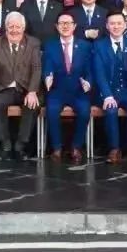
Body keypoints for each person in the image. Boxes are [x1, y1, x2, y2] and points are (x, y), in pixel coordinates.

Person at [0, 12, 43, 161]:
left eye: (18, 27)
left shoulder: (33, 43)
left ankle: (20, 146)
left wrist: (32, 91)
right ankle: (5, 145)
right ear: (6, 28)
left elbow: (36, 68)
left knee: (32, 104)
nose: (14, 30)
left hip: (25, 88)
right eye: (11, 27)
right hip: (3, 88)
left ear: (23, 28)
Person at [92, 12, 127, 163]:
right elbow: (99, 73)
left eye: (119, 23)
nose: (116, 26)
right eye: (112, 23)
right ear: (107, 26)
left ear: (125, 25)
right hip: (109, 91)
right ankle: (114, 149)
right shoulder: (99, 45)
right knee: (111, 110)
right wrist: (107, 95)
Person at [42, 12, 93, 162]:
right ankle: (57, 148)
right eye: (61, 23)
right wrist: (47, 77)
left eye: (68, 23)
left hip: (78, 90)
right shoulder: (50, 45)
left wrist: (88, 82)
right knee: (51, 111)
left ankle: (76, 147)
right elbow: (47, 66)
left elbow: (90, 70)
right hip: (57, 90)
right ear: (56, 26)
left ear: (74, 26)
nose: (65, 26)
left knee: (84, 111)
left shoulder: (85, 46)